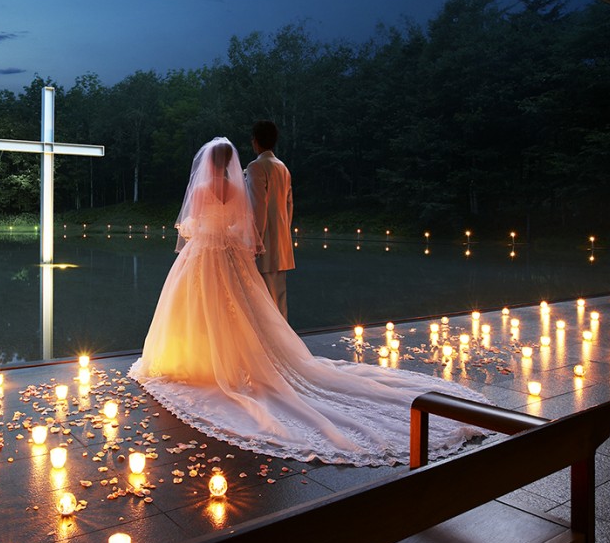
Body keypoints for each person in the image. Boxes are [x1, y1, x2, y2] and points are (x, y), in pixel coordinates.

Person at [129, 137, 487, 466]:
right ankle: (233, 359)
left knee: (198, 309)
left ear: (208, 162)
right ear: (230, 161)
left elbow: (191, 224)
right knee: (242, 310)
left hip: (204, 255)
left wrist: (204, 232)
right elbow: (243, 226)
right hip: (231, 256)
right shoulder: (236, 188)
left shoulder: (205, 187)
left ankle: (203, 361)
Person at [245, 120, 294, 319]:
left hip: (264, 243)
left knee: (264, 303)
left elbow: (259, 207)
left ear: (255, 141)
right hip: (282, 243)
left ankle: (271, 347)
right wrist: (284, 230)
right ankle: (284, 346)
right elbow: (289, 205)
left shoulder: (256, 167)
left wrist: (256, 241)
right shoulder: (283, 167)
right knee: (279, 300)